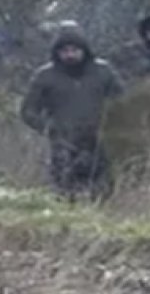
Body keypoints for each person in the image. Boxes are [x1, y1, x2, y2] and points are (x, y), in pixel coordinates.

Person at [20, 23, 125, 203]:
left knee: (103, 193)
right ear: (57, 52)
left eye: (74, 50)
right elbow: (28, 111)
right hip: (64, 142)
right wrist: (49, 129)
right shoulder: (45, 76)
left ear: (84, 50)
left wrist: (113, 127)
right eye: (65, 51)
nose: (69, 55)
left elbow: (122, 101)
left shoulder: (103, 71)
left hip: (99, 140)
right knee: (64, 193)